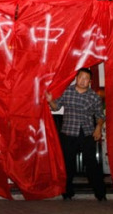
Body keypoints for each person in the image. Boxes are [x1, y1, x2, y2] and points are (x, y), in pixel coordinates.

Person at [45, 67, 107, 201]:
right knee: (68, 164)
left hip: (87, 133)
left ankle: (100, 194)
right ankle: (67, 193)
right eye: (81, 77)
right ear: (76, 78)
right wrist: (50, 100)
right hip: (68, 132)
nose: (83, 81)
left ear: (90, 81)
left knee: (91, 163)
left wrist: (98, 127)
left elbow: (100, 115)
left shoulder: (94, 96)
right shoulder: (67, 91)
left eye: (86, 79)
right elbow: (56, 107)